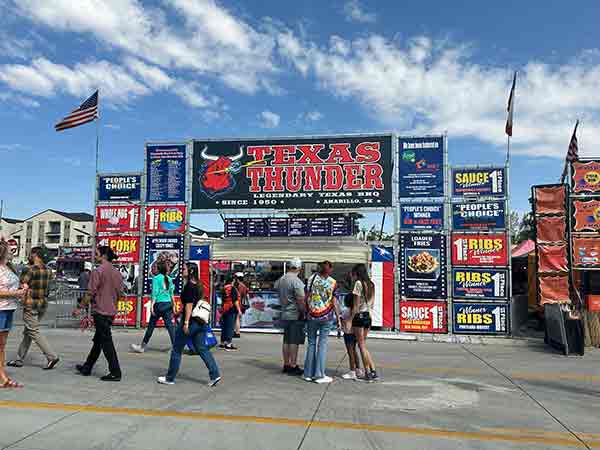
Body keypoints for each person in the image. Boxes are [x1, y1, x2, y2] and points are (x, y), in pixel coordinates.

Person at [158, 263, 220, 386]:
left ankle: (170, 378)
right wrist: (179, 313)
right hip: (200, 321)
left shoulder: (189, 286)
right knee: (202, 348)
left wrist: (185, 322)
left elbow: (189, 305)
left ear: (191, 270)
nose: (182, 271)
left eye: (184, 269)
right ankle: (215, 374)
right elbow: (193, 303)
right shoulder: (198, 285)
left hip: (191, 322)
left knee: (176, 349)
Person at [74, 246, 124, 381]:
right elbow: (121, 294)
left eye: (97, 254)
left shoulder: (98, 271)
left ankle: (115, 372)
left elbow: (90, 292)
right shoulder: (117, 273)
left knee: (106, 342)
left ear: (104, 256)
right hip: (111, 311)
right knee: (98, 341)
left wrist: (80, 307)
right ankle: (87, 367)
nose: (95, 257)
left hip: (100, 311)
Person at [7, 247, 59, 370]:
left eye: (30, 254)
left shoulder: (29, 269)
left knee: (33, 331)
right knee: (28, 332)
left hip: (30, 304)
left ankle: (51, 356)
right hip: (42, 304)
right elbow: (49, 288)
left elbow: (21, 285)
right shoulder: (48, 270)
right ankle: (19, 359)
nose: (29, 256)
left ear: (35, 255)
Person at [303, 261, 340, 384]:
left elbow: (306, 296)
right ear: (329, 270)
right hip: (326, 316)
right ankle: (319, 374)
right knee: (322, 344)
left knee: (312, 343)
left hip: (312, 315)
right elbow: (334, 302)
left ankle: (307, 373)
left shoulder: (311, 279)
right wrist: (338, 318)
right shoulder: (333, 283)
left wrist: (306, 312)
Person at [131, 260, 176, 353]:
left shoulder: (156, 278)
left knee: (151, 326)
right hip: (168, 304)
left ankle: (142, 346)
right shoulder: (169, 279)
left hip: (159, 304)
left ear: (159, 269)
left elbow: (154, 293)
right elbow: (171, 294)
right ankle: (175, 347)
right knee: (170, 327)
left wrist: (152, 306)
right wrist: (174, 305)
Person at [0, 240, 27, 388]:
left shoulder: (9, 268)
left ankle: (2, 376)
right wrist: (16, 292)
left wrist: (22, 289)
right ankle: (2, 377)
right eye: (9, 249)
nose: (12, 250)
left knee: (2, 346)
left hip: (9, 308)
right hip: (1, 309)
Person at [275, 258, 306, 375]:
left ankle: (286, 364)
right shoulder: (296, 281)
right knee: (294, 341)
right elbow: (301, 299)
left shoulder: (282, 279)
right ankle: (293, 365)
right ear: (298, 267)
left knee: (286, 340)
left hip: (284, 313)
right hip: (294, 314)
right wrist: (304, 312)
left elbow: (276, 287)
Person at [350, 264, 379, 382]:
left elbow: (356, 305)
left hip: (359, 316)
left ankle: (367, 372)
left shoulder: (358, 284)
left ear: (357, 273)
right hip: (368, 316)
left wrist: (350, 319)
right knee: (363, 345)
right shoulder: (371, 284)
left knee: (360, 345)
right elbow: (372, 304)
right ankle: (373, 370)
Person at [340, 292, 362, 380]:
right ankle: (358, 369)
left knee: (350, 352)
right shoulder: (355, 311)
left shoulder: (346, 311)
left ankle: (352, 371)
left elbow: (342, 320)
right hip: (355, 333)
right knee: (354, 351)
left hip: (348, 333)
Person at [219, 276, 241, 351]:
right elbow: (235, 301)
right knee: (230, 327)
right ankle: (228, 344)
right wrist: (239, 310)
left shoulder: (223, 288)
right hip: (231, 309)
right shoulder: (233, 288)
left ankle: (222, 343)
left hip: (224, 309)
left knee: (224, 326)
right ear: (232, 281)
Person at [233, 272, 248, 338]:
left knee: (236, 318)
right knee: (238, 318)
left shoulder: (238, 285)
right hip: (241, 303)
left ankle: (237, 332)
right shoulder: (244, 286)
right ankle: (237, 331)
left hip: (238, 303)